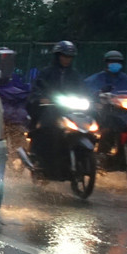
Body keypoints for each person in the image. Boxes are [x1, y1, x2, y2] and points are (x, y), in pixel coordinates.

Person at [27, 40, 88, 173]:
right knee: (48, 130)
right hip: (50, 110)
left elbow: (83, 91)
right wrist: (41, 98)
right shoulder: (46, 73)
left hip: (70, 111)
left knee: (89, 128)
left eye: (70, 57)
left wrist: (90, 100)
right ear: (57, 56)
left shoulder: (75, 75)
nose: (67, 59)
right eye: (64, 56)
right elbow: (36, 88)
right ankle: (40, 159)